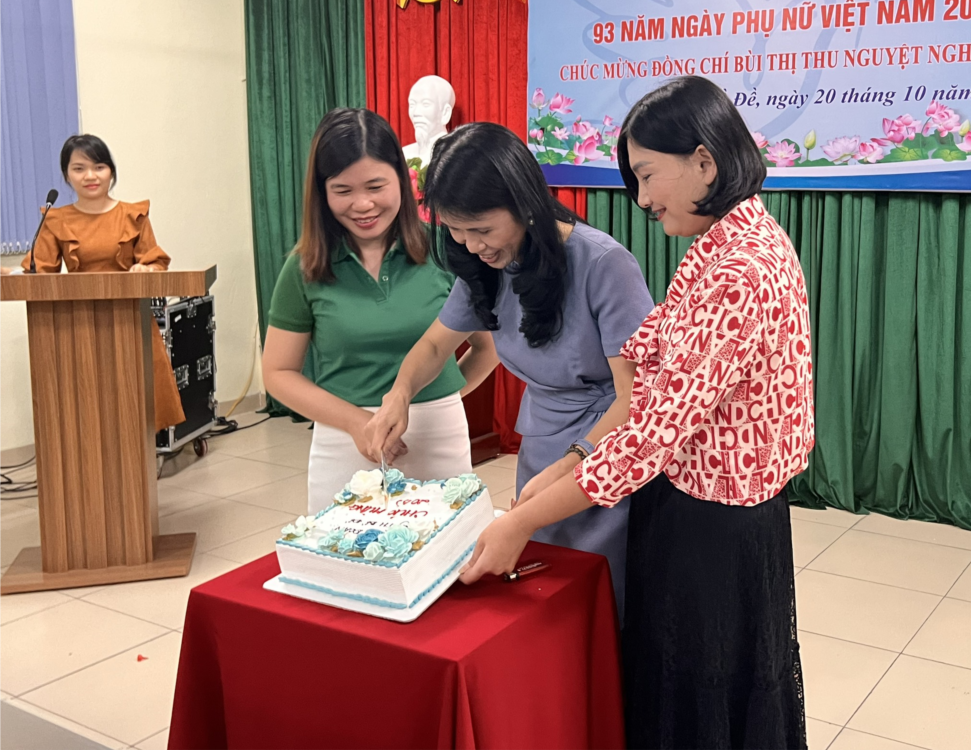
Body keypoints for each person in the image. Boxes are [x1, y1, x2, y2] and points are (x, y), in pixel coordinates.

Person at [459, 77, 814, 750]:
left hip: (711, 526)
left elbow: (651, 434)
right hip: (707, 509)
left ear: (704, 161)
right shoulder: (728, 244)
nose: (643, 198)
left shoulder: (735, 270)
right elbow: (651, 376)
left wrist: (522, 521)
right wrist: (570, 460)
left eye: (648, 175)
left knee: (701, 695)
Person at [365, 123, 655, 616]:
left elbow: (637, 398)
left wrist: (571, 463)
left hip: (608, 449)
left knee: (606, 598)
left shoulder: (603, 264)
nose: (471, 245)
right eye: (456, 231)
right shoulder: (486, 264)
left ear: (523, 203)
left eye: (481, 230)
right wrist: (399, 394)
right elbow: (435, 345)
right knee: (541, 592)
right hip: (542, 442)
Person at [262, 108, 497, 512]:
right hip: (343, 443)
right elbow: (278, 373)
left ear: (402, 180)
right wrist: (357, 422)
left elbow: (488, 347)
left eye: (376, 186)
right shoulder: (304, 267)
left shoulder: (446, 250)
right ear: (321, 192)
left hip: (438, 441)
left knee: (445, 545)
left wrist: (438, 401)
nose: (363, 204)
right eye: (342, 190)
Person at [9, 134, 185, 432]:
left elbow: (156, 262)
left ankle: (135, 461)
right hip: (77, 326)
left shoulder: (133, 215)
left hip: (130, 321)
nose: (90, 176)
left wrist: (146, 268)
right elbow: (39, 273)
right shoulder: (56, 219)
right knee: (87, 411)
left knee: (133, 406)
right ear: (67, 175)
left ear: (111, 171)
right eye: (79, 168)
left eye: (99, 167)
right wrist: (13, 275)